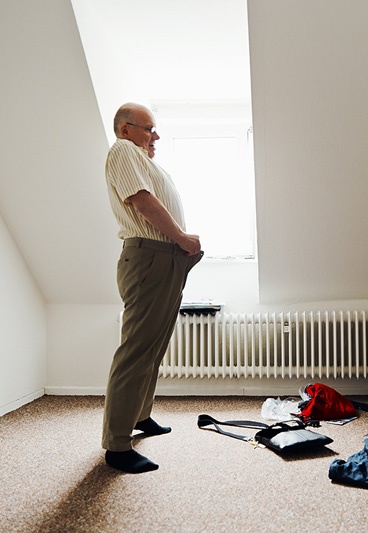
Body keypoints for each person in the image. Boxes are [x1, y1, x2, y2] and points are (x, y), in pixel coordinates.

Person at [102, 102, 203, 473]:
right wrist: (180, 236)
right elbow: (142, 201)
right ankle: (116, 445)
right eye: (149, 128)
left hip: (165, 258)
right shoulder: (122, 150)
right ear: (125, 129)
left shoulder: (144, 158)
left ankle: (140, 416)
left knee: (154, 347)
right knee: (136, 350)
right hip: (149, 257)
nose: (155, 135)